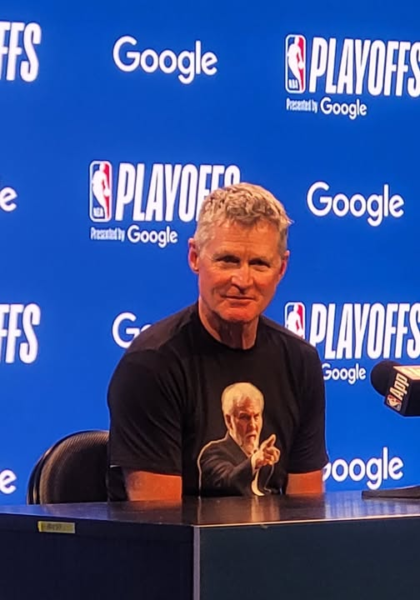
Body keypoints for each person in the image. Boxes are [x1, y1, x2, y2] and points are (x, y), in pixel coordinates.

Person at [107, 182, 328, 501]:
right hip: (184, 535)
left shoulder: (300, 361)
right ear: (195, 257)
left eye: (259, 264)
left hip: (274, 536)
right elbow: (158, 522)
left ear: (281, 269)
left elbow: (307, 512)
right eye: (227, 260)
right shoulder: (151, 365)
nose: (243, 280)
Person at [198, 382, 281, 496]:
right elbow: (228, 482)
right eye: (245, 417)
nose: (253, 425)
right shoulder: (213, 453)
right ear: (228, 420)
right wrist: (255, 462)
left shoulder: (265, 460)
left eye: (256, 416)